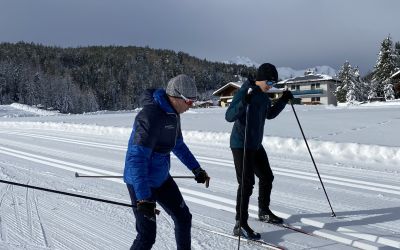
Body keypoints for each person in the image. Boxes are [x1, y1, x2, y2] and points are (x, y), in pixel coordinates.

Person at [124, 74, 210, 250]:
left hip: (161, 178)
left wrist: (196, 169)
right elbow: (137, 159)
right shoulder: (149, 116)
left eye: (193, 101)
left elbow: (177, 145)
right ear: (175, 96)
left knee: (183, 217)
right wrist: (143, 199)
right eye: (189, 101)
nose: (191, 105)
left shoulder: (174, 114)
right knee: (147, 236)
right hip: (141, 182)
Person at [225, 63, 294, 239]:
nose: (271, 85)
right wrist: (243, 101)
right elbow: (229, 116)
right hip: (241, 143)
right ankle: (240, 223)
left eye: (273, 83)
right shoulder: (245, 91)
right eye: (269, 82)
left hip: (255, 144)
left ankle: (263, 211)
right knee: (246, 183)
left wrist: (283, 100)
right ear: (261, 79)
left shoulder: (263, 96)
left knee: (267, 176)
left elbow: (269, 114)